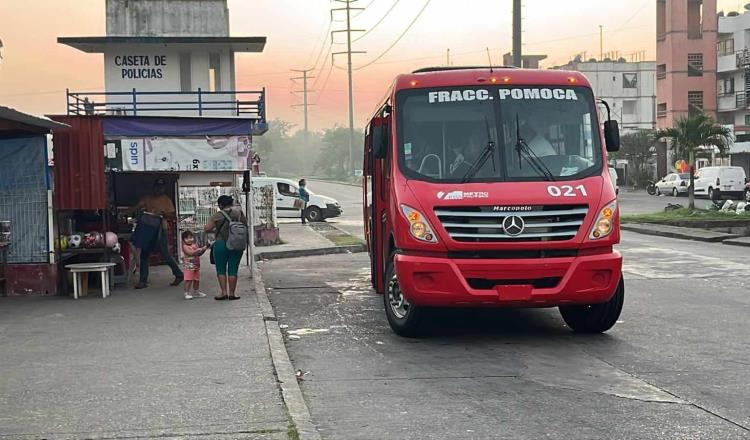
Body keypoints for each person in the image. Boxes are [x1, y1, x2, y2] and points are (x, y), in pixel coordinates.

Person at [133, 178, 183, 289]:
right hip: (148, 229)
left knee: (165, 253)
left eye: (161, 187)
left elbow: (172, 215)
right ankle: (143, 281)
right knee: (144, 254)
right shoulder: (147, 198)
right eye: (157, 187)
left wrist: (162, 213)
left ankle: (179, 274)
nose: (159, 189)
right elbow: (137, 206)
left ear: (164, 188)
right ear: (154, 187)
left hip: (161, 229)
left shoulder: (166, 200)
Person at [204, 195, 247, 300]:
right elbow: (245, 225)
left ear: (220, 205)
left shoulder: (217, 215)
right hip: (236, 244)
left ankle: (223, 293)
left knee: (221, 269)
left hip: (221, 244)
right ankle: (232, 293)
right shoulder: (239, 213)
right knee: (233, 269)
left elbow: (207, 228)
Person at [181, 231, 209, 300]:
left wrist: (204, 248)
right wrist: (198, 250)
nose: (190, 239)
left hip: (196, 266)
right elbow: (190, 253)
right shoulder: (185, 246)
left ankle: (196, 292)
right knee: (188, 280)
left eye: (191, 238)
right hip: (189, 267)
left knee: (197, 279)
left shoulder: (194, 245)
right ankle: (187, 293)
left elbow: (199, 254)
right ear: (183, 240)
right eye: (187, 238)